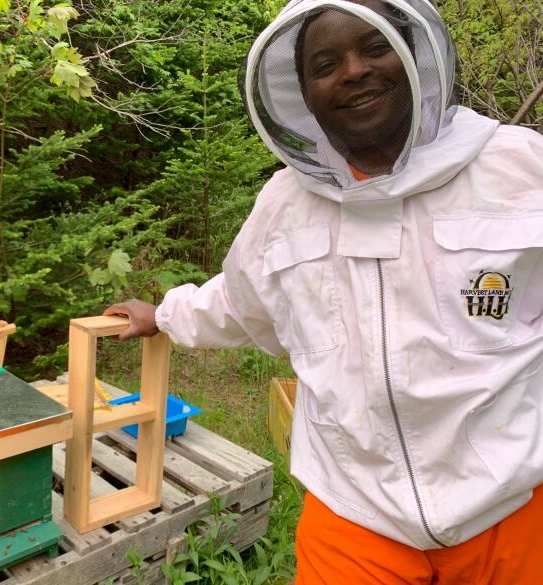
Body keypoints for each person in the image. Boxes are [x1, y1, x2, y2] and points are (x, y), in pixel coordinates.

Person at [105, 0, 543, 583]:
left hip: (513, 505)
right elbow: (241, 300)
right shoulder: (284, 205)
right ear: (303, 96)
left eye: (375, 47)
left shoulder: (519, 166)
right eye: (325, 63)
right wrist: (161, 313)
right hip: (354, 514)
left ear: (415, 56)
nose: (354, 71)